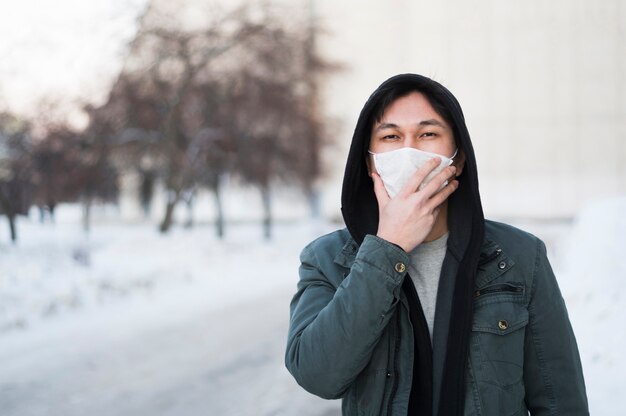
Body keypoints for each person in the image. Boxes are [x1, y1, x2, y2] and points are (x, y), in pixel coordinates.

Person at [284, 74, 588, 415]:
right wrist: (387, 247)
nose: (409, 150)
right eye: (391, 136)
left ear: (457, 159)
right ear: (370, 160)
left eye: (428, 134)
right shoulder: (327, 259)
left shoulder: (520, 257)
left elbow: (560, 399)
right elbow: (317, 375)